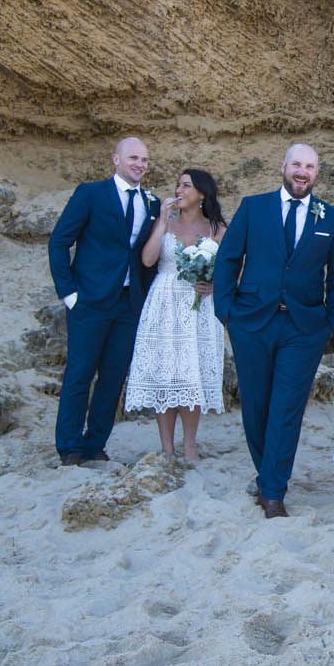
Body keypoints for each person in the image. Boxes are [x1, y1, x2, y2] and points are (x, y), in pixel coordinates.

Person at [213, 144, 334, 519]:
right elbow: (228, 259)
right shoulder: (252, 207)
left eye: (309, 166)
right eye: (296, 165)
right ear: (283, 167)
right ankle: (266, 475)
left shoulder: (331, 218)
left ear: (316, 172)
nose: (302, 172)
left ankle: (273, 490)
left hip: (304, 328)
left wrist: (329, 323)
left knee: (287, 409)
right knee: (256, 405)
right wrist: (225, 311)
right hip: (251, 321)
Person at [47, 137, 161, 465]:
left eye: (145, 159)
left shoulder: (151, 204)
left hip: (128, 304)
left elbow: (145, 256)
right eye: (133, 157)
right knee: (80, 374)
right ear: (116, 159)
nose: (140, 163)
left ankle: (95, 444)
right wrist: (69, 293)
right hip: (89, 301)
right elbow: (59, 242)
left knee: (112, 378)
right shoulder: (90, 194)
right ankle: (69, 448)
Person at [124, 169, 228, 462]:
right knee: (164, 374)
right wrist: (161, 221)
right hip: (164, 303)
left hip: (199, 305)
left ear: (202, 194)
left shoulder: (217, 229)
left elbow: (232, 269)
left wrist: (214, 284)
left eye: (186, 185)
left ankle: (190, 445)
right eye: (177, 185)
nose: (179, 190)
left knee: (190, 373)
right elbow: (147, 259)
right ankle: (167, 447)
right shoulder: (166, 223)